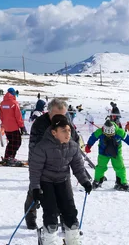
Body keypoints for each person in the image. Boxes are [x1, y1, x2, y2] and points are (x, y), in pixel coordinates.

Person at [29, 114, 91, 245]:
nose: (68, 133)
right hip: (46, 182)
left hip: (63, 181)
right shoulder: (42, 147)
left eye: (69, 130)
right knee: (50, 213)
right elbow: (35, 170)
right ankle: (49, 240)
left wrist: (85, 181)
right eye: (63, 131)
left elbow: (78, 167)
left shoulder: (73, 146)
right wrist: (35, 188)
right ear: (54, 132)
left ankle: (72, 240)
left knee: (70, 211)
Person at [24, 98, 81, 230]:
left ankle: (66, 223)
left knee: (65, 196)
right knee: (36, 191)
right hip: (42, 165)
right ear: (49, 113)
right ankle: (30, 217)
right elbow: (35, 147)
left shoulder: (66, 123)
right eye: (57, 115)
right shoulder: (39, 124)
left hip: (61, 165)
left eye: (63, 114)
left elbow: (74, 141)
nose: (61, 118)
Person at [86, 119, 129, 191]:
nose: (109, 136)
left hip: (116, 153)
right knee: (100, 167)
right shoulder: (100, 132)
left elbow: (128, 139)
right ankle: (97, 181)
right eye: (107, 135)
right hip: (103, 153)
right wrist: (88, 146)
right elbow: (93, 138)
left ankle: (121, 182)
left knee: (120, 167)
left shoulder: (120, 132)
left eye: (111, 135)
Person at [0, 87, 26, 165]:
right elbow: (18, 116)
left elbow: (1, 116)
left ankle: (7, 157)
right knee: (17, 142)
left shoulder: (2, 103)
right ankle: (11, 157)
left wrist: (4, 123)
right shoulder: (14, 103)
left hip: (6, 127)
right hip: (14, 127)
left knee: (11, 142)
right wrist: (22, 126)